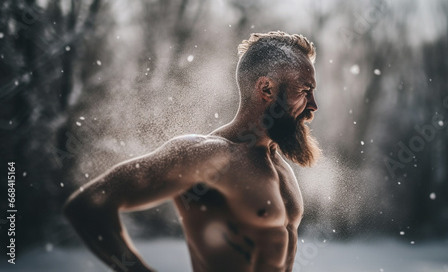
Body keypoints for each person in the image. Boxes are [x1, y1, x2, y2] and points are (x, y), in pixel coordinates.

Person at [63, 31, 320, 272]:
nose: (313, 105)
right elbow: (88, 205)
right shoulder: (209, 155)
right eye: (305, 91)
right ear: (266, 89)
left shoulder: (279, 164)